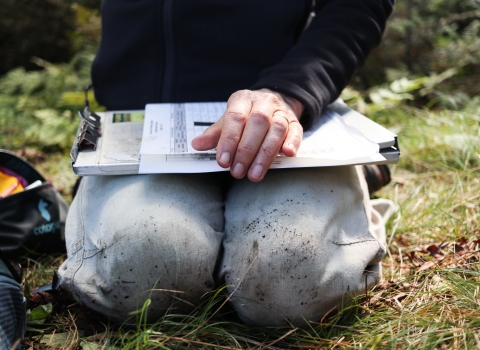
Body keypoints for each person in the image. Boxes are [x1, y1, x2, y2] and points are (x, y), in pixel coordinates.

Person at [59, 0, 395, 327]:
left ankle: (352, 198)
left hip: (285, 113)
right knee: (141, 277)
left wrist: (291, 89)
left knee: (293, 280)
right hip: (143, 126)